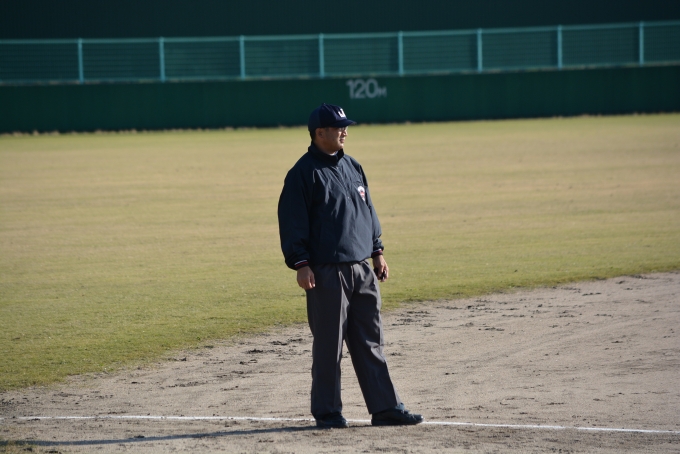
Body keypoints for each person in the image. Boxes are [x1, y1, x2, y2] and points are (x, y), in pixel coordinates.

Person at [277, 103, 423, 429]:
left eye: (345, 126)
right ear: (320, 133)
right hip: (326, 272)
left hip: (361, 269)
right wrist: (301, 264)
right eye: (339, 126)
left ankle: (385, 408)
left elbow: (367, 211)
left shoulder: (353, 166)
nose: (345, 131)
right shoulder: (303, 173)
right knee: (329, 345)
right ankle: (328, 412)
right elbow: (292, 222)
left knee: (371, 340)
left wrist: (377, 251)